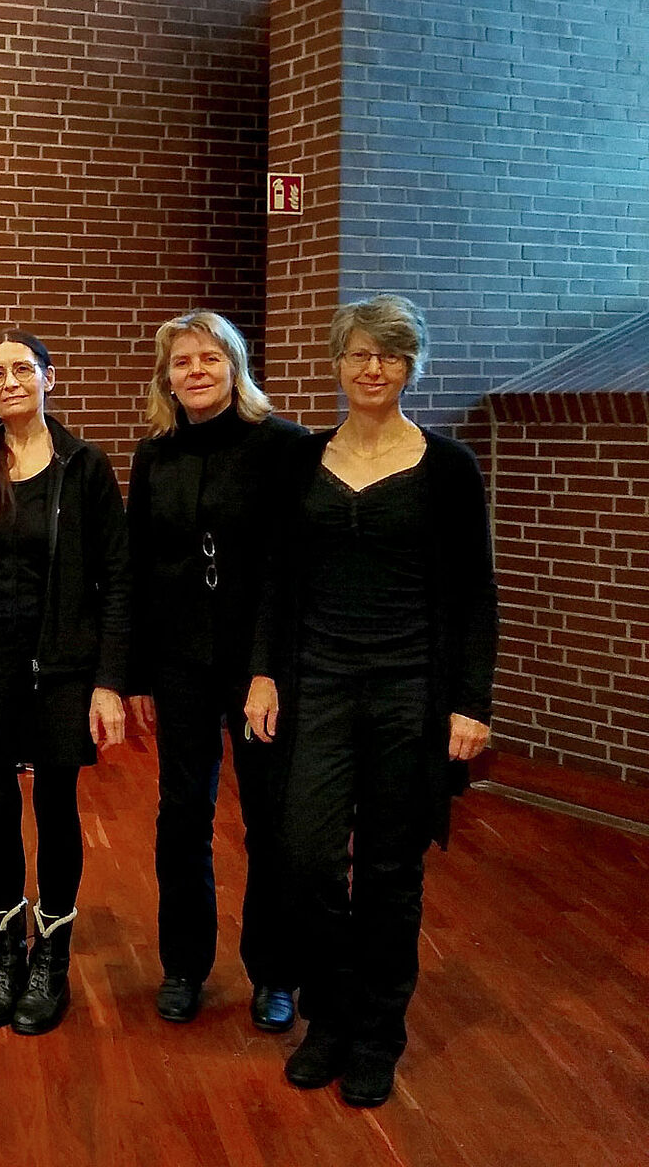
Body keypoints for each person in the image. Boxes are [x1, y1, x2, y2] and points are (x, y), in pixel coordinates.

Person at [249, 294, 495, 1108]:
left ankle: (377, 1033)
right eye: (358, 353)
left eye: (389, 354)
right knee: (305, 855)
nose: (372, 368)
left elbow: (476, 593)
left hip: (408, 693)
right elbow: (276, 578)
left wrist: (471, 703)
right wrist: (263, 671)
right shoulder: (302, 460)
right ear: (338, 363)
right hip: (317, 682)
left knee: (391, 869)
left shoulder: (448, 467)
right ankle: (328, 1014)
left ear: (410, 366)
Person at [0, 328, 132, 1035]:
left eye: (22, 369)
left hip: (63, 670)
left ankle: (52, 960)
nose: (9, 382)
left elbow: (117, 580)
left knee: (56, 806)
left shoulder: (85, 466)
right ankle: (6, 955)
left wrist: (108, 682)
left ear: (48, 377)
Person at [127, 311, 306, 1031]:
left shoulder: (281, 446)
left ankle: (276, 972)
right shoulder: (155, 454)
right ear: (166, 379)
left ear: (236, 366)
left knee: (268, 819)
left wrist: (267, 670)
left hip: (257, 665)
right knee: (182, 816)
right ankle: (184, 965)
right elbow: (139, 567)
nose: (195, 371)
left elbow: (286, 570)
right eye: (182, 362)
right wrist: (136, 675)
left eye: (209, 358)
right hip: (179, 663)